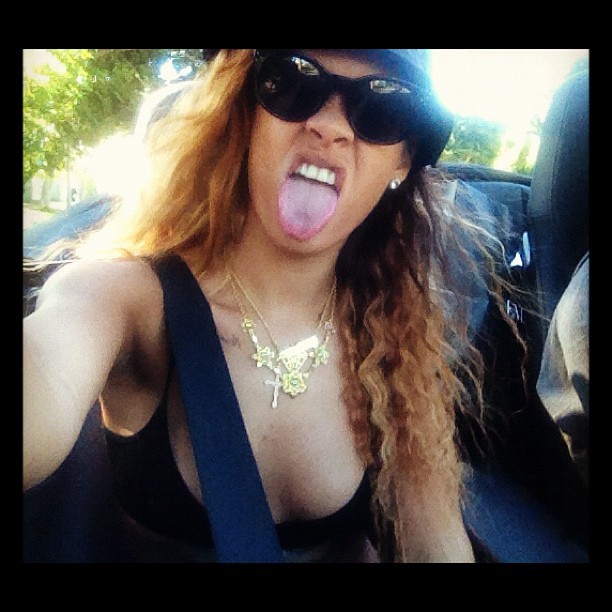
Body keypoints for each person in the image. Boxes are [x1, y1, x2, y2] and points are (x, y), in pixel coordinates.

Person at [23, 49, 517, 562]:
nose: (330, 126)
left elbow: (437, 545)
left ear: (402, 161)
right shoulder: (123, 297)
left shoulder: (396, 345)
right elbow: (48, 370)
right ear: (245, 117)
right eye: (294, 81)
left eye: (383, 108)